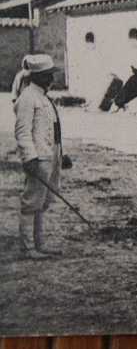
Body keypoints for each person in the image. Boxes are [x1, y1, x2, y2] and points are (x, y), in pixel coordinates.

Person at [13, 53, 64, 259]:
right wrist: (29, 158)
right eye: (48, 75)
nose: (52, 79)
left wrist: (62, 153)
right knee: (31, 201)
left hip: (50, 156)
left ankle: (39, 244)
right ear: (38, 76)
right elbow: (22, 132)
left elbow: (53, 129)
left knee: (42, 201)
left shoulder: (43, 96)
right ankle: (27, 248)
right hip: (38, 158)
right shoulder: (27, 98)